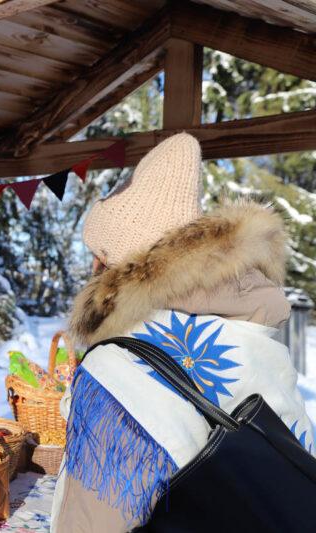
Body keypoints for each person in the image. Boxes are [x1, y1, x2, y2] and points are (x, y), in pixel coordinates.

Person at [51, 133, 315, 531]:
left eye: (99, 256)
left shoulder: (116, 369)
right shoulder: (248, 331)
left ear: (121, 267)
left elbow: (91, 520)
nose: (91, 271)